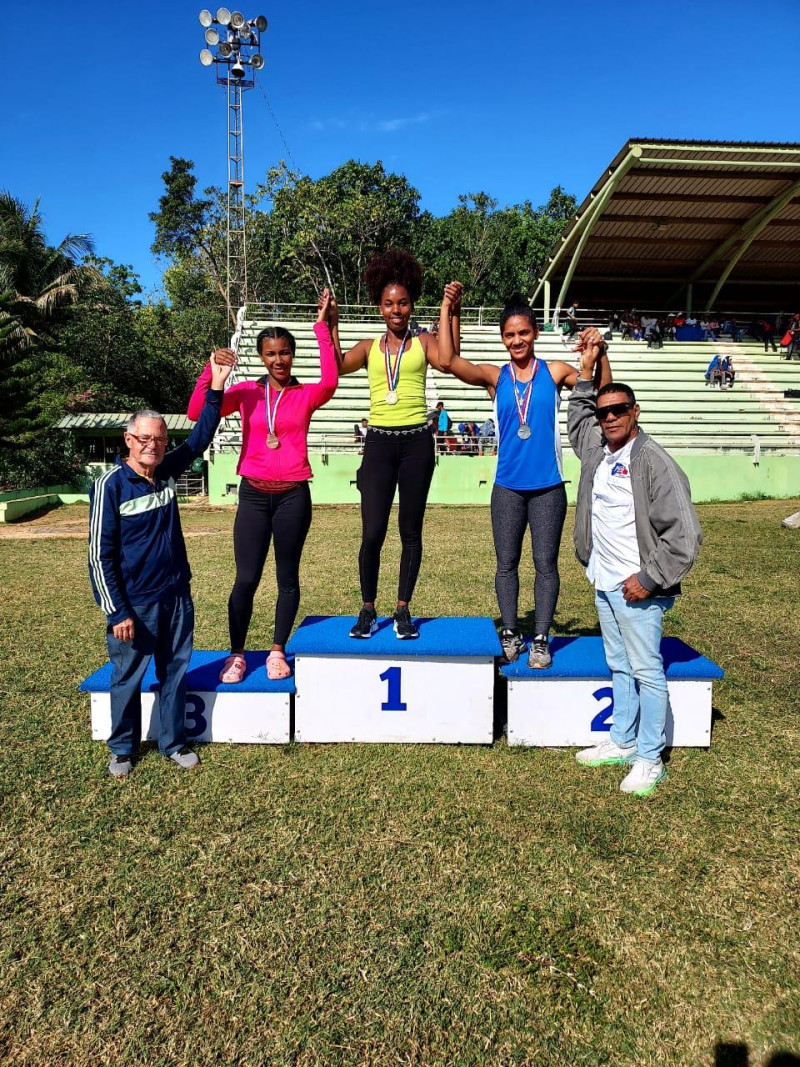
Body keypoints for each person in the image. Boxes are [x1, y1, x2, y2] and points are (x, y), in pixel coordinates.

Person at [438, 286, 610, 667]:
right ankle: (511, 633)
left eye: (523, 333)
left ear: (535, 332)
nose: (517, 340)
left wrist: (602, 353)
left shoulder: (554, 371)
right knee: (506, 564)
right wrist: (450, 307)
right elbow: (448, 360)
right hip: (507, 490)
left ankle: (542, 638)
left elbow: (600, 391)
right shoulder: (494, 378)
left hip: (548, 487)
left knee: (545, 565)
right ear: (503, 339)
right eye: (510, 335)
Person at [567, 342, 702, 796]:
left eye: (619, 409)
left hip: (637, 587)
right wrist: (586, 375)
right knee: (619, 666)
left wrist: (648, 579)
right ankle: (623, 741)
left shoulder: (654, 462)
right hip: (604, 580)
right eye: (604, 412)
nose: (609, 418)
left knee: (646, 671)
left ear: (635, 411)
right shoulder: (598, 452)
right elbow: (577, 421)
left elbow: (685, 536)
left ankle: (650, 759)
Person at [88, 358, 232, 778]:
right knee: (127, 677)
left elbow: (201, 438)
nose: (153, 446)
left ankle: (173, 741)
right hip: (134, 606)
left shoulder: (166, 473)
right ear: (128, 440)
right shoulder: (110, 486)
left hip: (176, 598)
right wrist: (117, 612)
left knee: (175, 671)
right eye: (144, 439)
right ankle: (122, 749)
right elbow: (100, 555)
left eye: (160, 439)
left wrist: (216, 388)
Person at [187, 291, 338, 684]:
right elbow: (194, 411)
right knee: (246, 578)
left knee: (287, 578)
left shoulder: (306, 395)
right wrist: (210, 370)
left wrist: (322, 328)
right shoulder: (247, 394)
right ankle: (236, 654)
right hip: (253, 494)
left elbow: (331, 379)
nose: (279, 360)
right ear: (261, 357)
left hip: (292, 495)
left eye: (285, 352)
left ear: (292, 354)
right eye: (271, 353)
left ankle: (276, 650)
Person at [327, 250, 455, 640]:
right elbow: (336, 365)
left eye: (402, 302)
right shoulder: (368, 347)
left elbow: (448, 360)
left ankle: (402, 609)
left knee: (410, 531)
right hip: (379, 443)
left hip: (417, 441)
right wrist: (331, 325)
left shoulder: (425, 341)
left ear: (412, 303)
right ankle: (368, 608)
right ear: (379, 307)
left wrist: (449, 308)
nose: (396, 309)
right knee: (372, 532)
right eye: (388, 303)